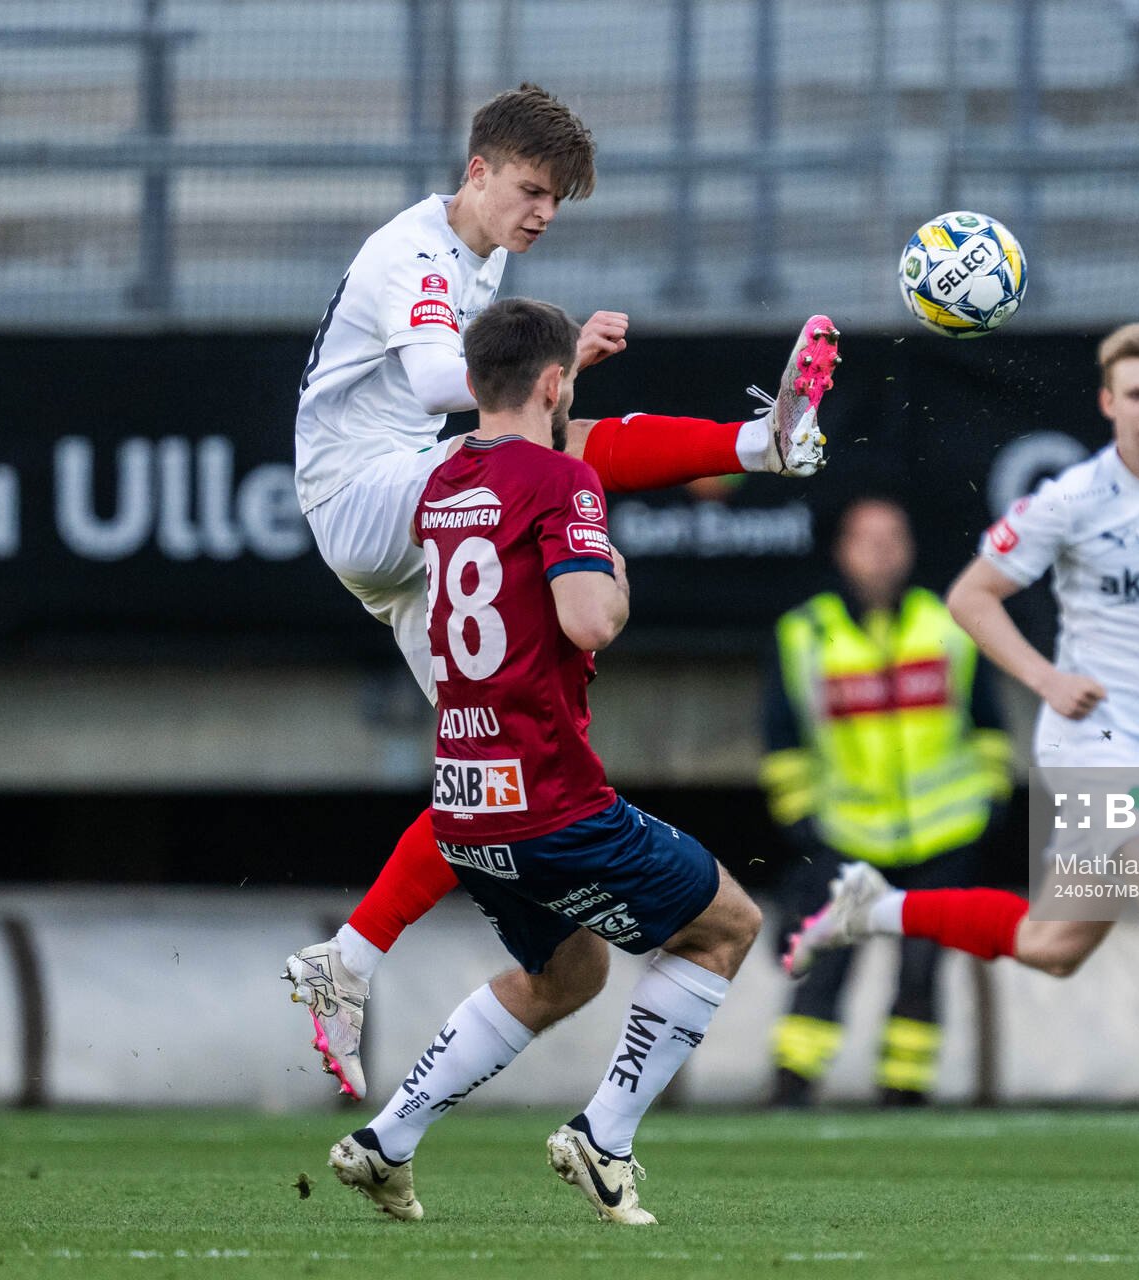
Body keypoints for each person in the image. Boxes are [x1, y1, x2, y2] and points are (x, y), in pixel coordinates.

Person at [281, 83, 839, 1100]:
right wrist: (557, 361)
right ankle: (762, 441)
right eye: (531, 190)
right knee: (547, 448)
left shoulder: (479, 255)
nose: (540, 213)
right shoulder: (415, 254)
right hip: (363, 494)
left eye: (557, 201)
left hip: (406, 518)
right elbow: (446, 389)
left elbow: (478, 384)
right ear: (478, 171)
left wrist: (550, 362)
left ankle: (346, 960)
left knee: (480, 768)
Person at [785, 323, 1139, 1174]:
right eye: (1136, 395)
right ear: (1109, 404)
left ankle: (870, 909)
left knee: (1052, 947)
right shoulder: (1070, 498)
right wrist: (1044, 679)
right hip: (1090, 740)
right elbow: (971, 598)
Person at [328, 297, 762, 1227]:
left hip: (465, 799)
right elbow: (591, 619)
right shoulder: (566, 481)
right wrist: (609, 557)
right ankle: (603, 1138)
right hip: (552, 800)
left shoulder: (443, 481)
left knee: (572, 974)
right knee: (726, 925)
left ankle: (386, 1142)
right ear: (557, 384)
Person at [760, 497, 1012, 1107]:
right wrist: (804, 824)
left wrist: (989, 806)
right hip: (843, 836)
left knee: (924, 971)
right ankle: (792, 1087)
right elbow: (781, 738)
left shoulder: (949, 623)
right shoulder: (804, 633)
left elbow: (989, 725)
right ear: (842, 549)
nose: (881, 553)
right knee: (826, 966)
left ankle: (905, 1091)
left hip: (943, 835)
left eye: (893, 538)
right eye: (867, 540)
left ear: (911, 549)